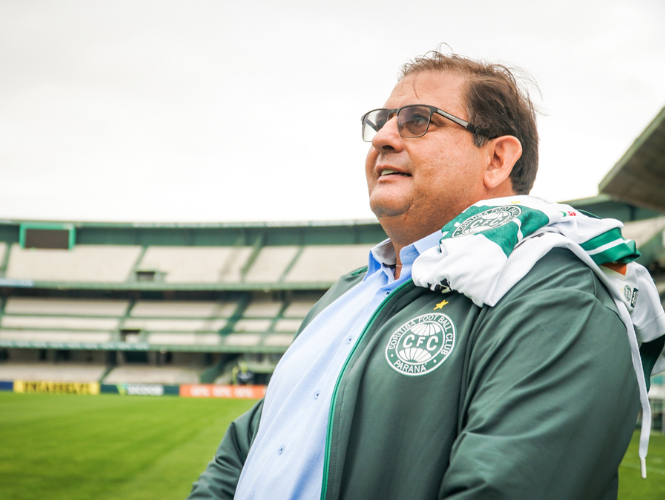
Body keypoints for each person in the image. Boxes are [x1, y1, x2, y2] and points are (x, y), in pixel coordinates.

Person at [187, 52, 665, 500]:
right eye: (381, 121)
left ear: (497, 159)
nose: (382, 138)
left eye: (417, 120)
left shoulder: (556, 290)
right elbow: (246, 448)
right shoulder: (348, 290)